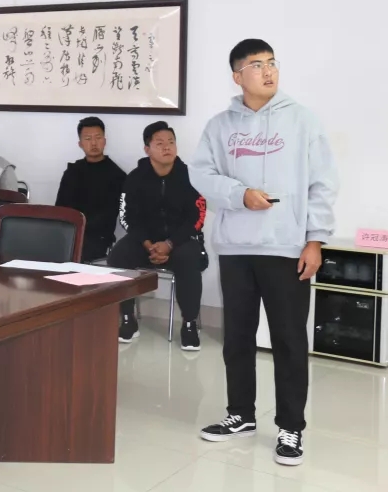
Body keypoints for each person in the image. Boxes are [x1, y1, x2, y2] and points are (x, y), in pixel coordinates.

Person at [190, 39, 338, 467]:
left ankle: (291, 426)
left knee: (289, 340)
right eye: (257, 65)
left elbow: (323, 183)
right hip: (236, 247)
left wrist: (315, 239)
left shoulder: (302, 120)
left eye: (272, 63)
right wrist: (239, 194)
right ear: (238, 76)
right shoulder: (220, 126)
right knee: (237, 337)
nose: (268, 71)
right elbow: (200, 174)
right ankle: (241, 414)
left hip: (286, 247)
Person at [109, 122, 207, 350]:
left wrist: (170, 244)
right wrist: (148, 244)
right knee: (118, 256)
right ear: (147, 149)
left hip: (180, 241)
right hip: (145, 242)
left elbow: (198, 216)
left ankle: (189, 325)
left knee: (189, 258)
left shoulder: (191, 176)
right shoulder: (135, 178)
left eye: (171, 142)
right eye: (160, 143)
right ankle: (127, 318)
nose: (167, 147)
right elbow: (126, 217)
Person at [55, 117, 127, 262]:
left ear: (104, 141)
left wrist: (82, 229)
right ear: (80, 144)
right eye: (88, 138)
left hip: (97, 237)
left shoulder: (117, 175)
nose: (93, 143)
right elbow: (60, 208)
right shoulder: (72, 172)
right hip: (68, 231)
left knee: (80, 252)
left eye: (98, 138)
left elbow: (109, 216)